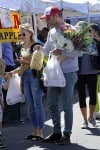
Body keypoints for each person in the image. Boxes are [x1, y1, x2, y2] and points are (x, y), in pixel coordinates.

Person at [36, 6, 82, 144]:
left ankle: (66, 135)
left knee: (67, 105)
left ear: (56, 16)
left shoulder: (71, 30)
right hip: (54, 72)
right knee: (51, 104)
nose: (46, 21)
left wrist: (63, 53)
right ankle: (56, 133)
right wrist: (39, 49)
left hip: (68, 72)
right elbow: (47, 50)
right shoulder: (51, 32)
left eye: (48, 18)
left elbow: (80, 52)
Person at [7, 23, 45, 140]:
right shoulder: (21, 47)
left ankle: (40, 131)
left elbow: (39, 65)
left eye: (24, 34)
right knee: (30, 106)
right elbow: (22, 67)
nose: (21, 36)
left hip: (34, 77)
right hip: (25, 77)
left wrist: (24, 62)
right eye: (20, 34)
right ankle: (34, 130)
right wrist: (12, 72)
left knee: (37, 105)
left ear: (30, 34)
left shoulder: (36, 46)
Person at [77, 23, 99, 129]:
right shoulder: (75, 42)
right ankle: (85, 120)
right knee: (81, 96)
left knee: (93, 95)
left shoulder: (94, 41)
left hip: (92, 71)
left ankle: (91, 117)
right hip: (79, 72)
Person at [2, 42, 20, 123]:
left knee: (6, 91)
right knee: (11, 90)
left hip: (6, 67)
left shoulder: (3, 41)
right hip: (9, 66)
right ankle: (13, 116)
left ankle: (9, 116)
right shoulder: (6, 41)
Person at [90, 24, 100, 120]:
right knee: (94, 92)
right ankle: (96, 112)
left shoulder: (96, 42)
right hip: (96, 70)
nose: (89, 33)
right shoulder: (91, 42)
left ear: (96, 31)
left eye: (91, 31)